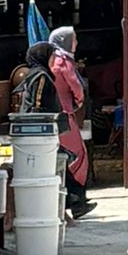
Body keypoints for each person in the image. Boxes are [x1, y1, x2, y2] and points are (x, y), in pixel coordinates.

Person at [47, 26, 95, 221]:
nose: (76, 43)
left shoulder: (51, 59)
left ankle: (73, 202)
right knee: (78, 155)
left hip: (55, 114)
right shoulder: (63, 61)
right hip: (65, 114)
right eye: (73, 39)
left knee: (62, 158)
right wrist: (80, 100)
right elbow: (75, 85)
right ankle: (78, 202)